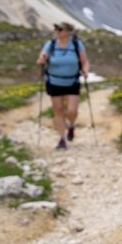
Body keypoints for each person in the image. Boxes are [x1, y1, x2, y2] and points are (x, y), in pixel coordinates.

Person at [36, 22, 90, 150]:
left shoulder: (77, 44)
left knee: (72, 110)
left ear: (68, 32)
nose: (57, 32)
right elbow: (40, 60)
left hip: (72, 81)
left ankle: (71, 125)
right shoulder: (51, 44)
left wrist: (85, 71)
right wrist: (41, 61)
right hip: (54, 82)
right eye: (56, 29)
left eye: (60, 29)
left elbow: (85, 61)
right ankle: (62, 139)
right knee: (58, 110)